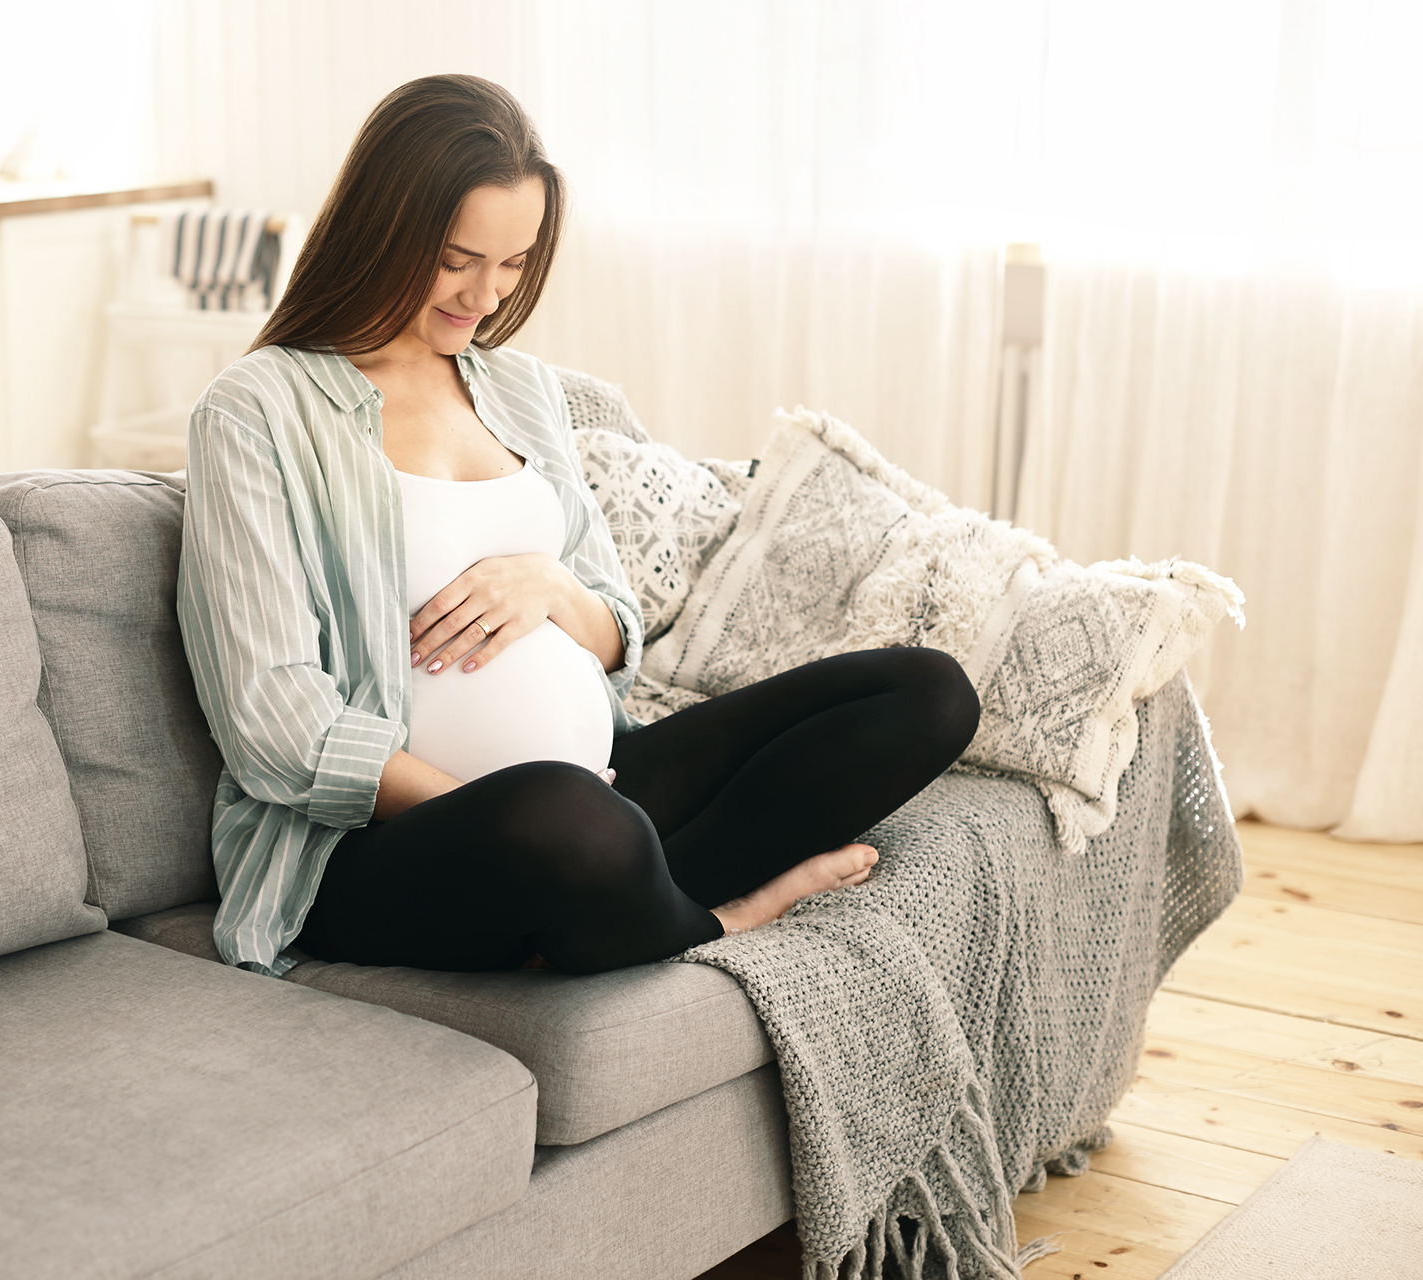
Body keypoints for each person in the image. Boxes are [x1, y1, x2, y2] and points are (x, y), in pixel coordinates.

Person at [178, 74, 979, 979]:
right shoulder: (258, 410)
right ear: (382, 227)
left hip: (597, 790)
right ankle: (721, 915)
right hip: (375, 854)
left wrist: (549, 585)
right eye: (456, 258)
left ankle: (635, 893)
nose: (485, 295)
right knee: (571, 820)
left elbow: (613, 633)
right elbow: (271, 720)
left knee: (927, 693)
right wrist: (492, 795)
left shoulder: (520, 389)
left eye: (514, 263)